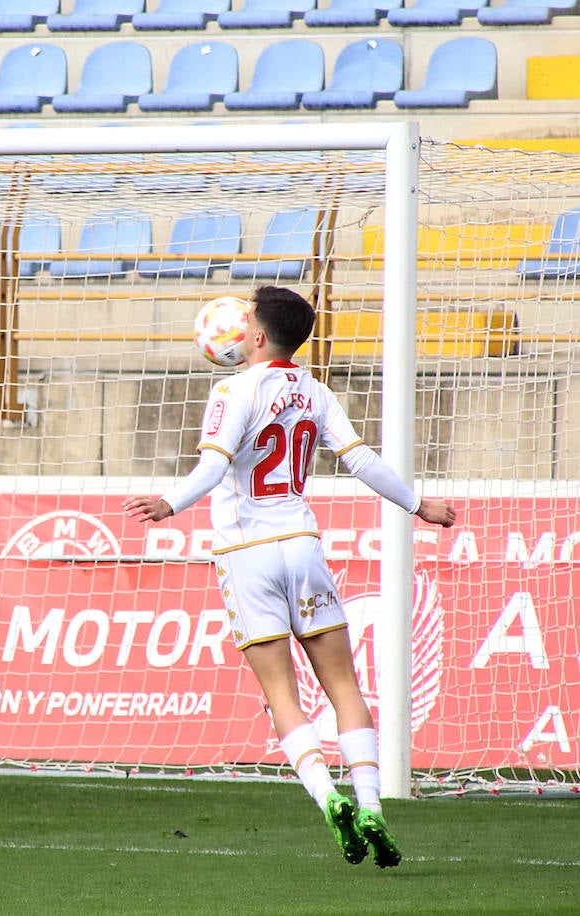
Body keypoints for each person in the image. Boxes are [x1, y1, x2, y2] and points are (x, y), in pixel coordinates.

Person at [123, 286, 457, 868]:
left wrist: (168, 505)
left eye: (246, 317)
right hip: (301, 546)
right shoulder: (316, 391)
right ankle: (372, 804)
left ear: (254, 337)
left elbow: (212, 466)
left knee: (281, 691)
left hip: (246, 552)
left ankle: (329, 799)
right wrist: (418, 505)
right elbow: (361, 461)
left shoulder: (232, 389)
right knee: (344, 685)